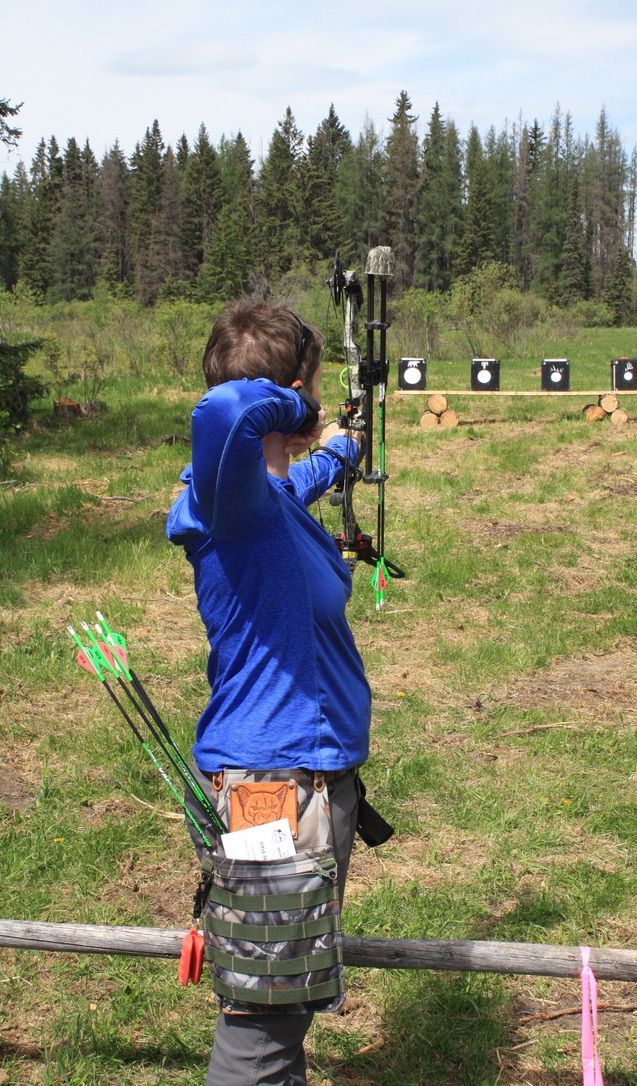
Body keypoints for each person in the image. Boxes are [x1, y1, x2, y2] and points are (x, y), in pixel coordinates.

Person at [166, 302, 370, 1086]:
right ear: (287, 397)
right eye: (308, 389)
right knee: (263, 1024)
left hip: (297, 780)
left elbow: (299, 481)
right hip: (271, 794)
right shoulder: (231, 502)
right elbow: (224, 411)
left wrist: (341, 448)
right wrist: (297, 406)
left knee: (282, 1004)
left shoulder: (267, 496)